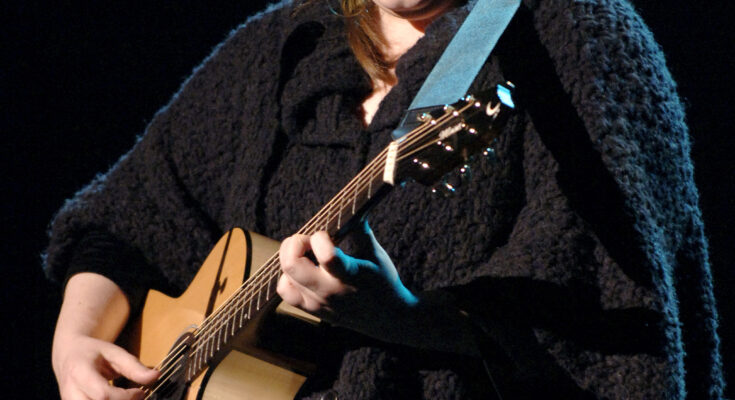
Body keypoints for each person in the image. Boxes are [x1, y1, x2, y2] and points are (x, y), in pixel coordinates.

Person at [44, 0, 725, 398]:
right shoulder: (283, 48)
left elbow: (624, 327)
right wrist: (75, 344)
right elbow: (126, 221)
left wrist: (406, 318)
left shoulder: (576, 35)